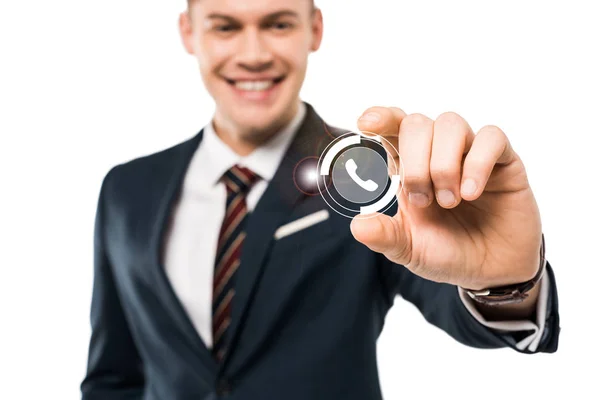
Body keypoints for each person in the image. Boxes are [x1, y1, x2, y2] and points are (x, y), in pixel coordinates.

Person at [80, 0, 560, 399]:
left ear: (315, 28)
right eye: (225, 27)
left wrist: (507, 280)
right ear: (188, 33)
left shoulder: (377, 174)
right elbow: (114, 376)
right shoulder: (127, 189)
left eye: (278, 23)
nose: (253, 54)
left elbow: (456, 304)